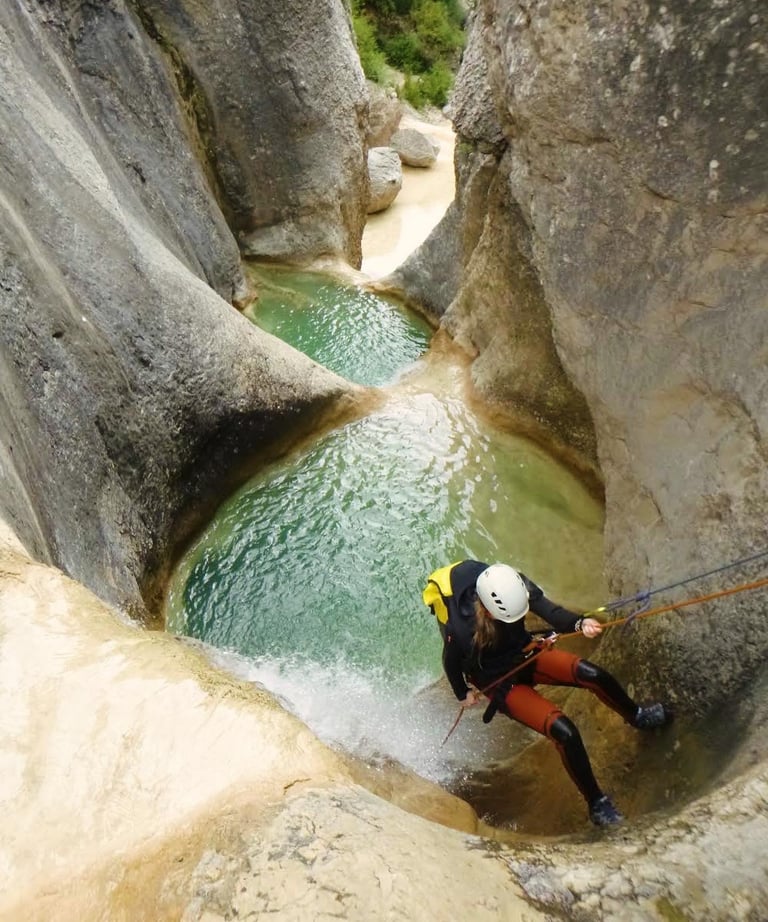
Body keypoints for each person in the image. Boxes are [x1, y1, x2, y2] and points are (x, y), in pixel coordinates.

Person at [423, 559, 672, 826]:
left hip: (523, 652)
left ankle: (636, 716)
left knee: (591, 673)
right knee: (564, 731)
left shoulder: (514, 586)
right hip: (498, 680)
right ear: (490, 611)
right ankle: (597, 804)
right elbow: (450, 661)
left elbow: (550, 611)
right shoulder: (461, 630)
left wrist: (580, 623)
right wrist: (463, 694)